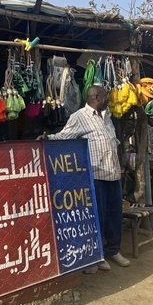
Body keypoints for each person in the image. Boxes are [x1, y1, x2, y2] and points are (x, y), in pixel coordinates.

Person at [47, 84, 129, 270]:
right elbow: (64, 136)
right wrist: (46, 139)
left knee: (115, 214)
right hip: (96, 174)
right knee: (97, 215)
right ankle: (97, 255)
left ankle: (114, 250)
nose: (108, 99)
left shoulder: (107, 116)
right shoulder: (79, 117)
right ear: (96, 98)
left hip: (113, 173)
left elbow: (112, 141)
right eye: (105, 96)